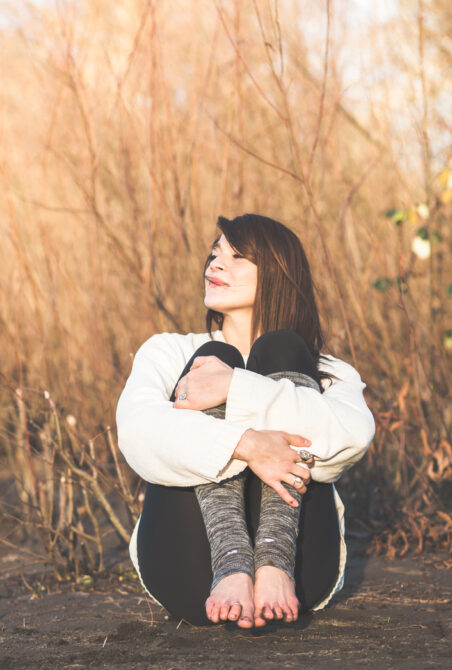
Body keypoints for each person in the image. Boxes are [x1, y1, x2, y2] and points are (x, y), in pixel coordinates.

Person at [116, 213, 375, 628]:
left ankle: (273, 563)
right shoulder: (166, 352)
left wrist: (235, 387)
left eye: (237, 256)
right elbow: (138, 432)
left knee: (283, 350)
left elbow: (351, 437)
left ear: (277, 273)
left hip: (302, 571)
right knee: (216, 359)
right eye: (215, 254)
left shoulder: (329, 370)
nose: (214, 265)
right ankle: (232, 564)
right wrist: (248, 444)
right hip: (188, 570)